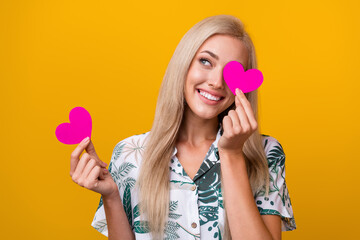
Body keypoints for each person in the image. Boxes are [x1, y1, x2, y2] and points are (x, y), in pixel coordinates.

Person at [70, 14, 296, 240]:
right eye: (206, 61)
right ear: (184, 64)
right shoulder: (130, 153)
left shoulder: (266, 153)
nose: (217, 82)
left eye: (231, 72)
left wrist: (232, 153)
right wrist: (111, 196)